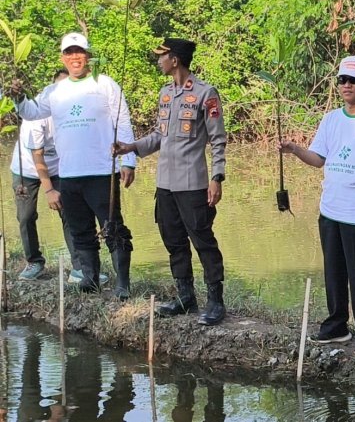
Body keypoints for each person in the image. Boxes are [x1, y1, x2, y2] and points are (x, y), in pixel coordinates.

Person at [279, 55, 355, 355]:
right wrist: (295, 149)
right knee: (334, 271)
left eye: (353, 80)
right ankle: (337, 325)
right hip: (331, 208)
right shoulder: (331, 119)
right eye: (342, 80)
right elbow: (319, 159)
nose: (346, 85)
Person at [11, 32, 136, 299]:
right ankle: (90, 278)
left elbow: (122, 121)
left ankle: (122, 284)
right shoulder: (55, 91)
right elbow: (32, 112)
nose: (75, 57)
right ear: (63, 58)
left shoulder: (105, 84)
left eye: (79, 52)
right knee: (80, 229)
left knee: (113, 227)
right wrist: (18, 97)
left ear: (87, 55)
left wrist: (129, 160)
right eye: (69, 53)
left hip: (102, 170)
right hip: (69, 173)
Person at [113, 38, 228, 326]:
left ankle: (215, 301)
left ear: (175, 59)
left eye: (161, 56)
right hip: (165, 183)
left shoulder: (205, 93)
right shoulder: (165, 94)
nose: (158, 61)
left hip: (193, 183)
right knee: (173, 240)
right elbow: (158, 136)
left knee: (203, 241)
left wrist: (216, 178)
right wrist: (130, 147)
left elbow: (217, 140)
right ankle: (185, 297)